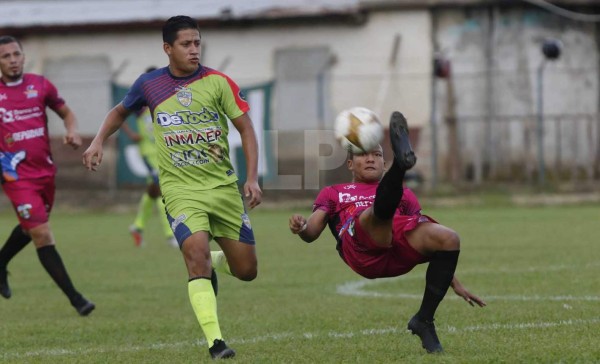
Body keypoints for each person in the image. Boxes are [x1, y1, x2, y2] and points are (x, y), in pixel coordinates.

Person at [82, 15, 261, 360]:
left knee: (247, 271)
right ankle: (216, 343)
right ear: (168, 48)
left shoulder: (218, 82)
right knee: (194, 258)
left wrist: (251, 178)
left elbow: (247, 129)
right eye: (186, 44)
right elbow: (120, 112)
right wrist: (98, 141)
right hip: (181, 191)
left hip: (223, 189)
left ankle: (214, 260)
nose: (194, 50)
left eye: (197, 43)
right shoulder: (149, 85)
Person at [289, 111, 486, 354]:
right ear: (350, 163)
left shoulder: (406, 195)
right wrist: (302, 227)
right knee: (374, 214)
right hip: (361, 250)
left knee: (448, 238)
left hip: (396, 252)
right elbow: (311, 232)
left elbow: (428, 240)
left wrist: (452, 281)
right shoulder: (334, 192)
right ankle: (401, 169)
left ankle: (423, 320)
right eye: (363, 154)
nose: (371, 159)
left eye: (377, 155)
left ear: (384, 163)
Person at [0, 35, 95, 316]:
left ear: (23, 56)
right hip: (15, 176)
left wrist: (72, 130)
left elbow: (67, 113)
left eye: (16, 54)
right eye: (6, 56)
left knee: (32, 228)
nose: (13, 60)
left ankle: (1, 262)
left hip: (45, 173)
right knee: (42, 233)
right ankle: (77, 299)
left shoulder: (40, 85)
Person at [120, 67, 178, 248]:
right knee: (163, 192)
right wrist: (131, 134)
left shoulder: (165, 101)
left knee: (152, 192)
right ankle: (171, 235)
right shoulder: (141, 103)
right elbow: (119, 115)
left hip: (165, 154)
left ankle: (137, 226)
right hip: (148, 154)